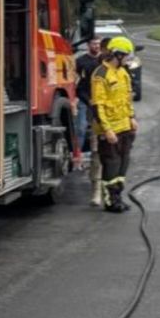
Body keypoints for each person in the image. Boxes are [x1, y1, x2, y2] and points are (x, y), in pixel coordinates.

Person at [91, 36, 138, 213]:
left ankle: (118, 197)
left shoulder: (123, 72)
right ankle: (110, 201)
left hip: (125, 126)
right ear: (117, 54)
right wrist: (107, 130)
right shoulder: (101, 74)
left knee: (122, 165)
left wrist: (132, 117)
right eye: (125, 55)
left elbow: (127, 99)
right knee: (111, 165)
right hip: (110, 129)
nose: (127, 58)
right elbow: (98, 105)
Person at [74, 37, 103, 204]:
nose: (96, 46)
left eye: (98, 44)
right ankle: (78, 157)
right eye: (93, 43)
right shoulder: (81, 61)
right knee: (81, 127)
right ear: (88, 45)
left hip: (102, 102)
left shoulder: (104, 62)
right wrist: (83, 99)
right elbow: (77, 83)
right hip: (87, 100)